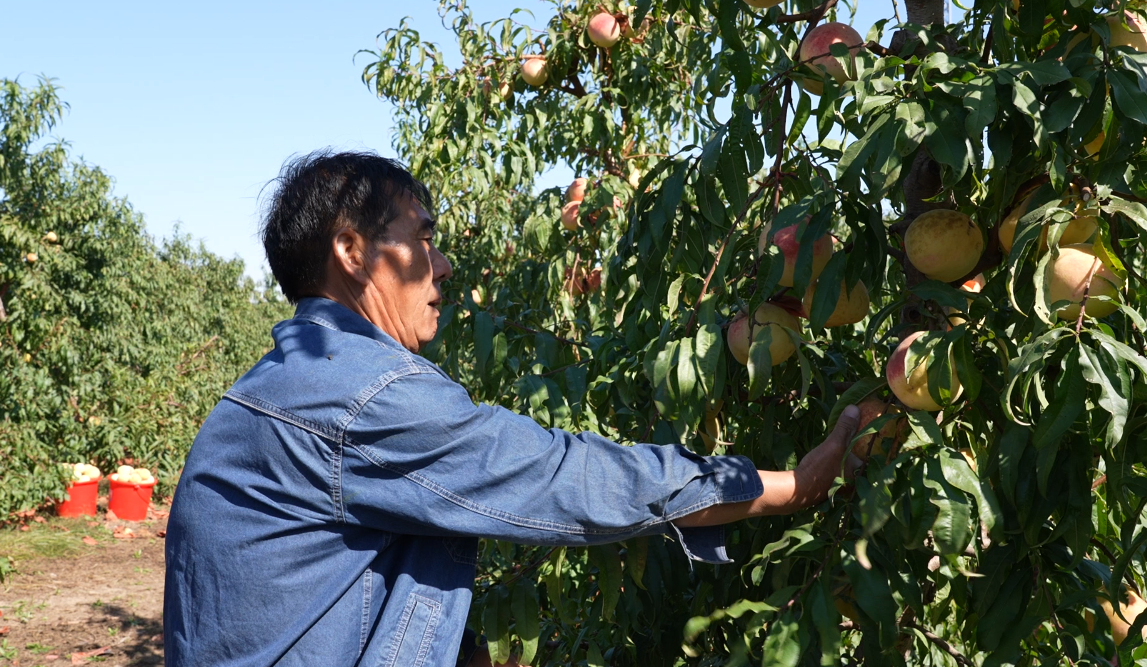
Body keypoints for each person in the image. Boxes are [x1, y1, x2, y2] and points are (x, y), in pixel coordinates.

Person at [163, 150, 864, 667]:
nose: (442, 264)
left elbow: (341, 592)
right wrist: (785, 486)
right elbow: (565, 477)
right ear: (352, 251)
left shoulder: (277, 384)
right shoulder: (359, 395)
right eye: (423, 237)